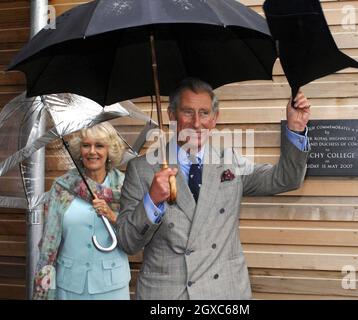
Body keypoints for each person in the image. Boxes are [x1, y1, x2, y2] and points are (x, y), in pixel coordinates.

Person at [116, 77, 311, 300]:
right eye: (188, 112)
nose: (197, 123)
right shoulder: (141, 170)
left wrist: (296, 128)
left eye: (204, 113)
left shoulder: (230, 163)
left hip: (224, 293)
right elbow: (126, 242)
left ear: (215, 118)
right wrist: (151, 202)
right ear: (171, 115)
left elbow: (286, 179)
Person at [33, 122, 131, 300]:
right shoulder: (62, 187)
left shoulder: (126, 186)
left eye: (99, 145)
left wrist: (112, 216)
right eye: (86, 145)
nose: (92, 151)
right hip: (70, 286)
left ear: (110, 151)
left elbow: (135, 235)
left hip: (112, 286)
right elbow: (50, 240)